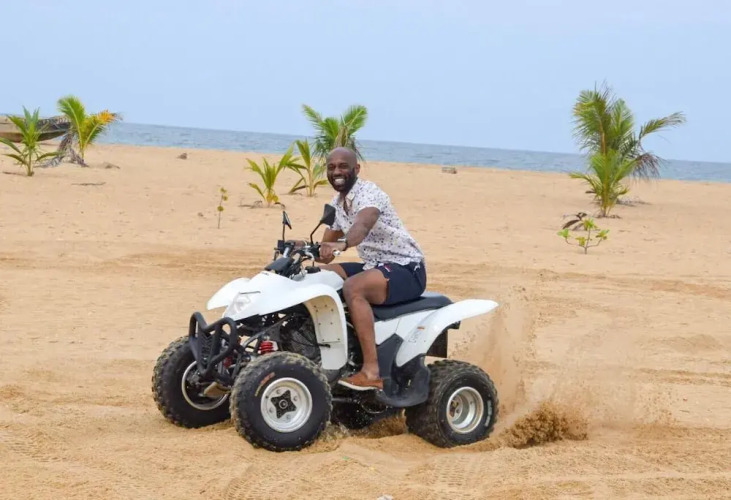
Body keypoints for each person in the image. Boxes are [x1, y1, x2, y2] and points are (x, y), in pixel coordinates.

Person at [315, 147, 427, 391]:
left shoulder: (369, 194)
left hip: (406, 267)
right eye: (331, 167)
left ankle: (371, 371)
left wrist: (343, 243)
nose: (337, 171)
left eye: (343, 166)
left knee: (353, 288)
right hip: (374, 265)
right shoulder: (337, 204)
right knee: (321, 276)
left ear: (356, 169)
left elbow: (362, 226)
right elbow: (325, 251)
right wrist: (302, 247)